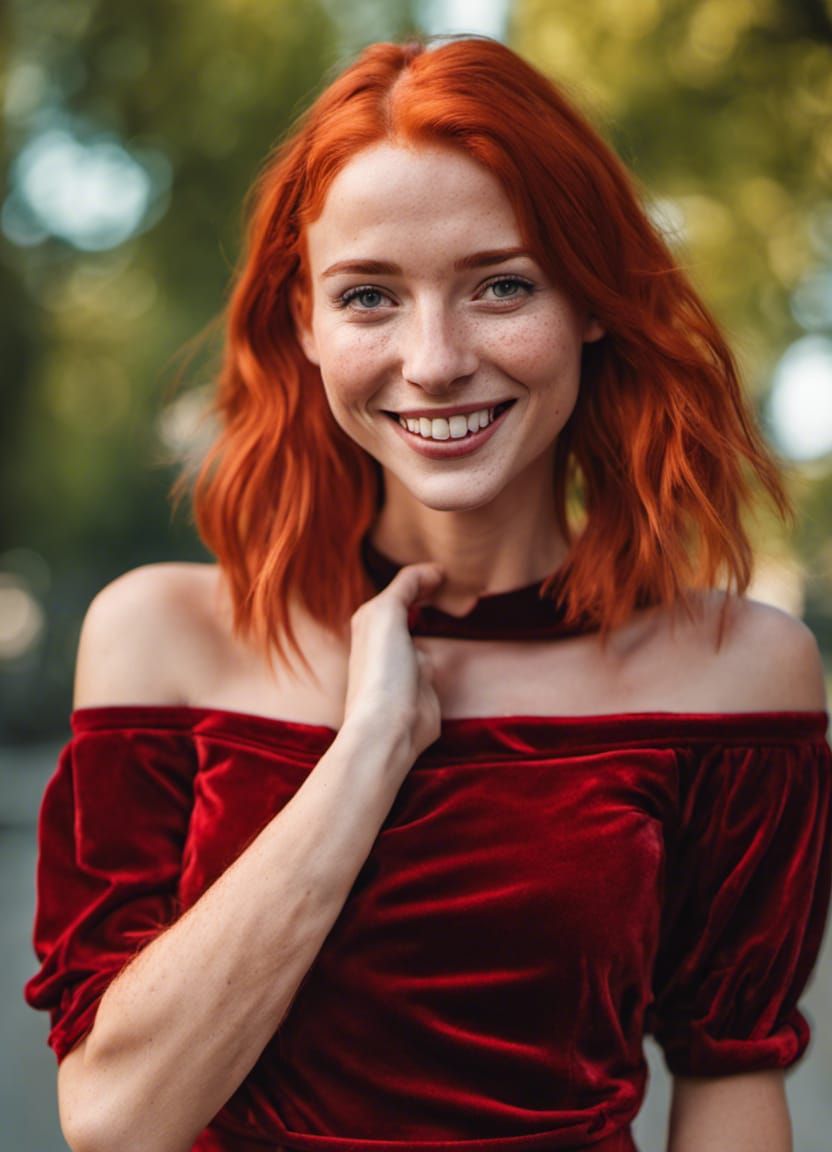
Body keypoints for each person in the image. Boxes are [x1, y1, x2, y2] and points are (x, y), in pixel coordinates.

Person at [24, 34, 830, 1152]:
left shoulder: (740, 669)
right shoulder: (162, 635)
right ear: (304, 323)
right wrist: (367, 752)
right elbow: (114, 1117)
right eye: (369, 297)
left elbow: (730, 1080)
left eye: (501, 285)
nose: (436, 358)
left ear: (590, 301)